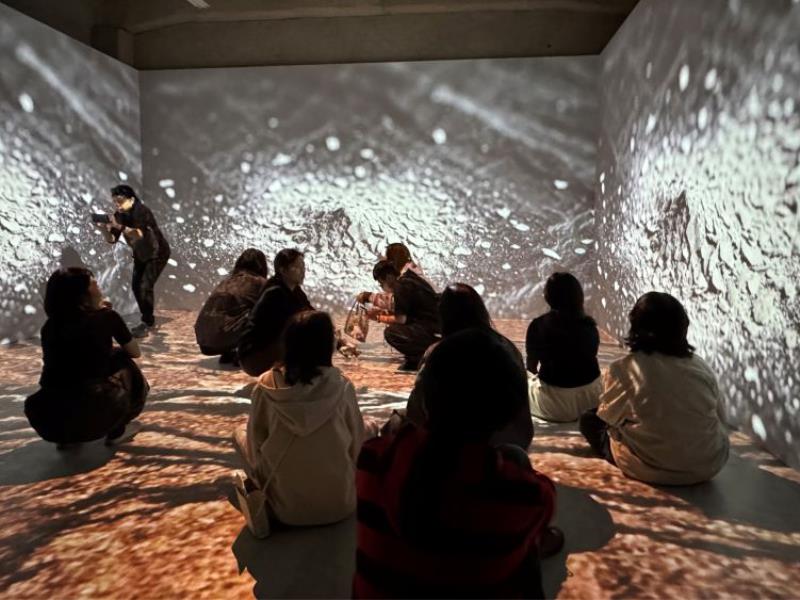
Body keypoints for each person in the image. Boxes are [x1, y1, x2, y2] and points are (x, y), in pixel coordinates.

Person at [354, 328, 557, 598]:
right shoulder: (526, 496)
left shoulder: (372, 459)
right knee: (516, 464)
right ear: (508, 416)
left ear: (425, 399)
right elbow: (546, 495)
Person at [579, 292, 729, 485]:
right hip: (708, 465)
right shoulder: (701, 367)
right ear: (682, 328)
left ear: (636, 327)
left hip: (650, 466)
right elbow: (719, 414)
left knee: (589, 420)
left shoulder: (623, 370)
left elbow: (609, 419)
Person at [233, 311, 365, 525]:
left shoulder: (266, 386)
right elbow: (356, 446)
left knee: (239, 432)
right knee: (367, 426)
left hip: (286, 512)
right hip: (342, 506)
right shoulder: (342, 386)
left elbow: (256, 450)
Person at [24, 267, 148, 447]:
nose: (99, 287)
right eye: (94, 284)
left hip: (49, 420)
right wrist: (110, 319)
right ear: (82, 294)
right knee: (121, 358)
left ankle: (68, 438)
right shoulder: (107, 317)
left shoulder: (50, 327)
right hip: (96, 413)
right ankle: (117, 431)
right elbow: (135, 352)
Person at [399, 283, 533, 449]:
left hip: (456, 448)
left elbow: (417, 411)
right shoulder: (508, 347)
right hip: (511, 443)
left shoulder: (439, 352)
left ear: (444, 315)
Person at [96, 184, 171, 338]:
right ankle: (147, 319)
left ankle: (147, 322)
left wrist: (119, 226)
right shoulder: (119, 215)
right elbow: (112, 239)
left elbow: (138, 234)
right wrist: (103, 229)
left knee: (145, 286)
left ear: (131, 199)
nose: (117, 205)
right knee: (136, 286)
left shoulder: (142, 211)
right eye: (115, 202)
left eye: (120, 201)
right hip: (141, 253)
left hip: (157, 252)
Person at [526, 272, 602, 422]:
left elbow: (531, 368)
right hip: (592, 401)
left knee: (516, 380)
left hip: (555, 406)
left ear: (548, 296)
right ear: (578, 296)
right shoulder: (590, 326)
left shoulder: (538, 325)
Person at [237, 248, 313, 376]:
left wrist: (337, 339)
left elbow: (313, 314)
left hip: (268, 350)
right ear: (283, 270)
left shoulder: (296, 291)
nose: (303, 270)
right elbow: (293, 325)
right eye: (297, 267)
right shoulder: (274, 292)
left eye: (303, 266)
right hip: (254, 357)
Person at [361, 259, 440, 372]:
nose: (382, 287)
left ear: (389, 277)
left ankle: (419, 357)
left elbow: (401, 319)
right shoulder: (409, 279)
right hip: (434, 326)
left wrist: (377, 317)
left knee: (391, 333)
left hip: (430, 329)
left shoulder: (400, 287)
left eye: (381, 283)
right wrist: (384, 313)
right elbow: (407, 310)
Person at [194, 248, 268, 365]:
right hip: (224, 337)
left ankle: (229, 351)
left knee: (234, 312)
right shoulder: (260, 282)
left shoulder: (227, 281)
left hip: (204, 341)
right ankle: (246, 353)